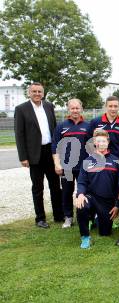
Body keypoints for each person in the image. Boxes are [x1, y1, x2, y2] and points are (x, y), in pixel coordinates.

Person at [14, 82, 63, 228]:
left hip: (50, 151)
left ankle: (58, 215)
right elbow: (19, 134)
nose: (37, 94)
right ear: (29, 93)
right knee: (38, 187)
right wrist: (23, 156)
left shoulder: (48, 106)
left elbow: (54, 129)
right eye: (34, 91)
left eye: (39, 91)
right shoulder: (21, 109)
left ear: (43, 93)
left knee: (55, 185)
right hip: (34, 153)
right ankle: (40, 219)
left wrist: (57, 151)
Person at [74, 129, 119, 249]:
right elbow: (82, 182)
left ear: (108, 142)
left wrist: (117, 205)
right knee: (81, 205)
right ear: (94, 142)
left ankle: (97, 219)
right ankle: (85, 237)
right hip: (91, 197)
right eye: (98, 141)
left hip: (107, 201)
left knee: (105, 233)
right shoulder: (87, 161)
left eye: (104, 141)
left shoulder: (115, 161)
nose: (101, 144)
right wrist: (80, 194)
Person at [52, 98, 90, 228]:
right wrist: (57, 164)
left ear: (81, 109)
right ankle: (68, 217)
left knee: (83, 191)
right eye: (72, 108)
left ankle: (85, 216)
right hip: (66, 167)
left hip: (83, 167)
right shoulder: (61, 126)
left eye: (77, 108)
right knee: (67, 192)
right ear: (69, 109)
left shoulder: (88, 126)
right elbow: (55, 146)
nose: (75, 110)